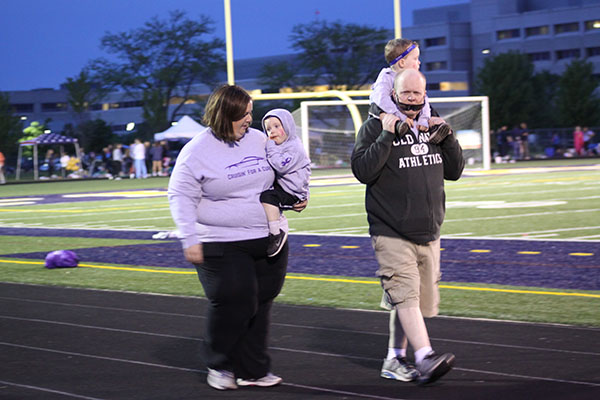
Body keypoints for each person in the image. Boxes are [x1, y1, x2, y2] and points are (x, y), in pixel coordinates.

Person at [168, 84, 306, 391]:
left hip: (270, 238)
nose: (250, 119)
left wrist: (294, 196)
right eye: (243, 114)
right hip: (220, 241)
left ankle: (253, 370)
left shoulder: (260, 140)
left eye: (250, 113)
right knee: (238, 300)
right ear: (224, 115)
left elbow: (284, 170)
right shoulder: (196, 151)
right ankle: (219, 363)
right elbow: (180, 195)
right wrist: (189, 238)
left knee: (261, 302)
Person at [351, 69, 464, 385]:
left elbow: (454, 172)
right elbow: (362, 171)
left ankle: (393, 359)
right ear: (394, 94)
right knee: (405, 293)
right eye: (406, 93)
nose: (412, 99)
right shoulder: (375, 126)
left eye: (418, 93)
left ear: (425, 94)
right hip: (390, 229)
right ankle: (424, 357)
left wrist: (450, 138)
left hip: (428, 231)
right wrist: (387, 136)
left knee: (412, 301)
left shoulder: (432, 124)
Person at [260, 109, 311, 257]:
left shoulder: (294, 147)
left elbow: (281, 165)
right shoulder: (281, 145)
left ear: (288, 125)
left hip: (292, 193)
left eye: (277, 126)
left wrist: (270, 148)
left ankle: (276, 233)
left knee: (268, 198)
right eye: (268, 129)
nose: (272, 131)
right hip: (287, 187)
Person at [369, 38, 431, 132]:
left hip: (410, 122)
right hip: (388, 124)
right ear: (402, 62)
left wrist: (423, 119)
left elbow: (424, 100)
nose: (419, 62)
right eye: (415, 58)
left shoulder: (414, 79)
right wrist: (399, 116)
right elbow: (381, 99)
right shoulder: (386, 78)